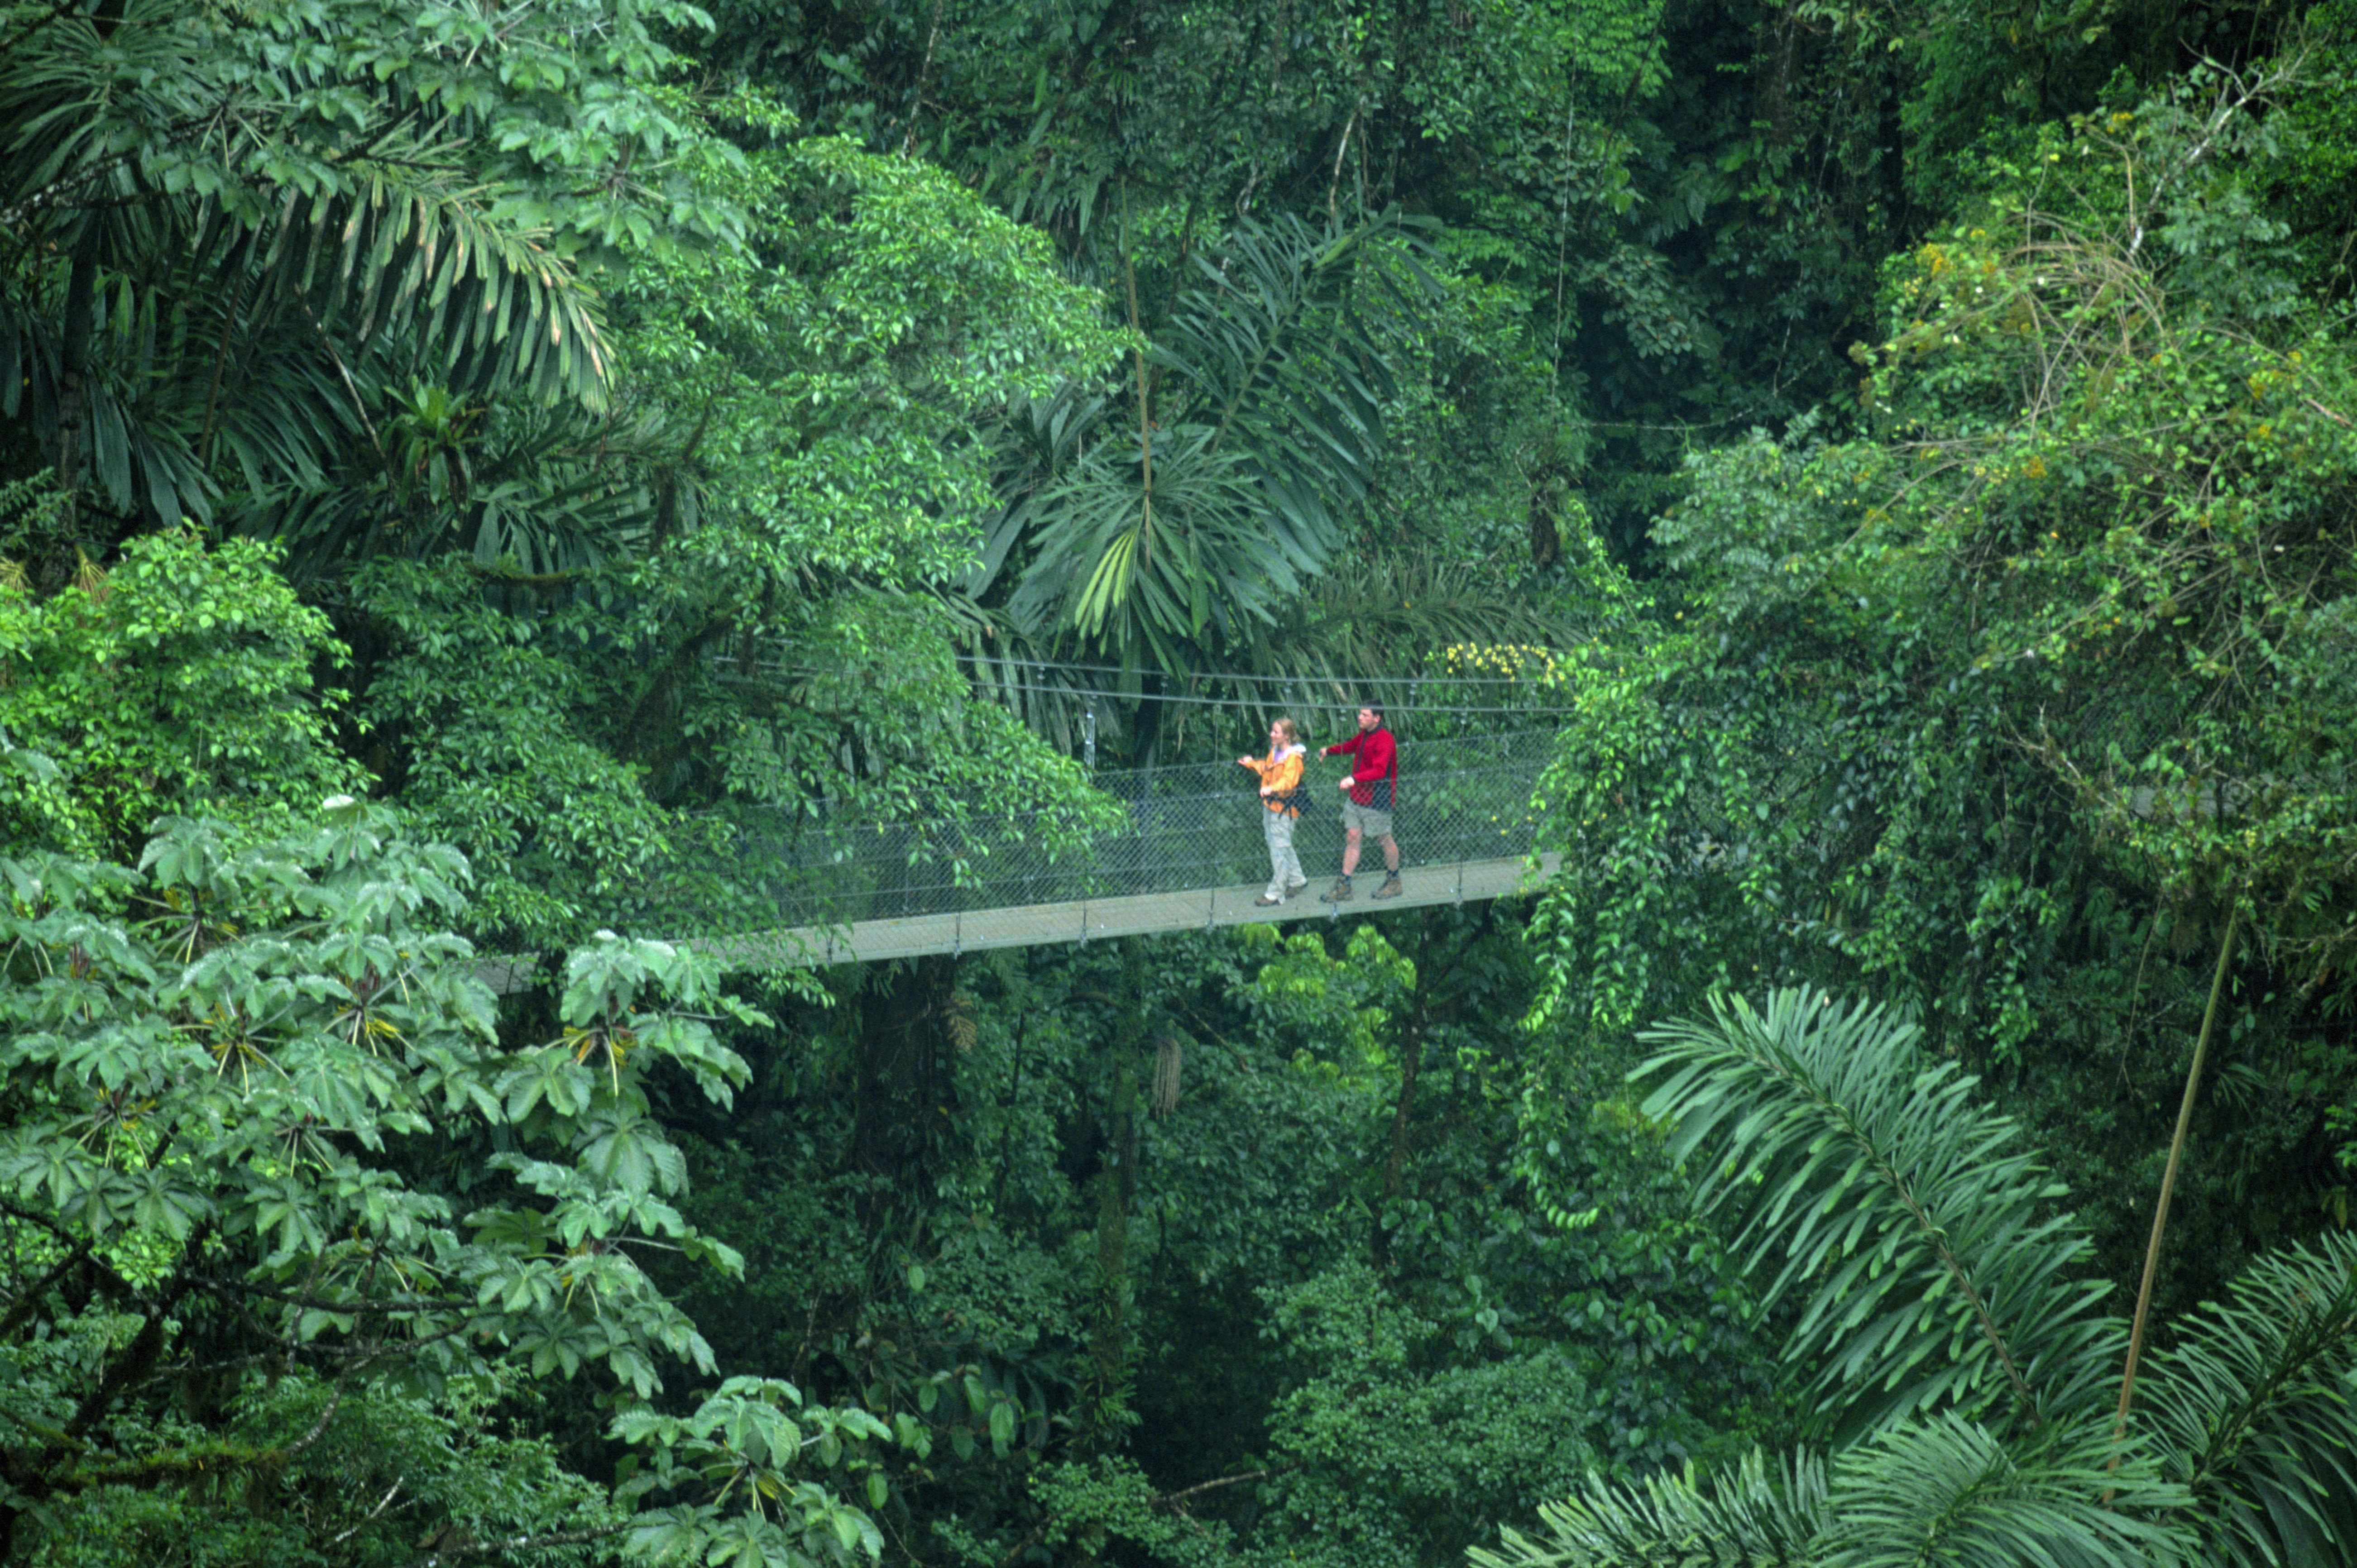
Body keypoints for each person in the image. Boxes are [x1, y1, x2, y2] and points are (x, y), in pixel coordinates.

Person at [1319, 703, 1400, 901]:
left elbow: (1380, 771)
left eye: (1365, 714)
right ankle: (1345, 885)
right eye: (1360, 714)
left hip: (1377, 800)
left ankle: (1394, 881)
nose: (1360, 717)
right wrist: (1329, 751)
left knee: (1384, 839)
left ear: (1377, 718)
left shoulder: (1385, 740)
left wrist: (1353, 779)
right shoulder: (1364, 735)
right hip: (1357, 798)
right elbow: (1350, 747)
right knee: (1352, 836)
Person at [1237, 717, 1310, 905]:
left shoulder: (1294, 758)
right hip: (1271, 806)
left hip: (1284, 810)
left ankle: (1276, 893)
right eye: (1272, 731)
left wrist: (1271, 789)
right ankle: (1297, 880)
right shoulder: (1276, 752)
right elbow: (1267, 769)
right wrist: (1251, 763)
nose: (1272, 735)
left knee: (1279, 850)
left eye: (1276, 732)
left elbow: (1289, 782)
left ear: (1287, 736)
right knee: (1279, 845)